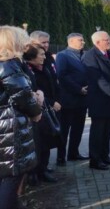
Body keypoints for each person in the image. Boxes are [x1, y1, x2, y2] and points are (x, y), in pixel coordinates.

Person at [0, 26, 42, 209]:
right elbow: (22, 95)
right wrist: (37, 111)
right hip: (9, 128)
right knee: (12, 177)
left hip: (4, 126)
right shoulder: (8, 64)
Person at [82, 31, 110, 171]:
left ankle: (105, 155)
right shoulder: (90, 56)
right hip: (99, 99)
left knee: (107, 130)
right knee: (97, 131)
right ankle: (95, 160)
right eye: (107, 39)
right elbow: (97, 78)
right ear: (98, 42)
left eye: (109, 38)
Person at [23, 43, 62, 183]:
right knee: (37, 144)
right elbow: (35, 91)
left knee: (46, 142)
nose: (44, 56)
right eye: (41, 54)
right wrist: (52, 102)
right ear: (32, 57)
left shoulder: (44, 67)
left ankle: (43, 170)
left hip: (48, 110)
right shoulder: (27, 70)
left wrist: (55, 101)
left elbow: (53, 86)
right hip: (37, 112)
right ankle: (34, 173)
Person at [55, 33, 89, 163]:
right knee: (64, 129)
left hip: (82, 99)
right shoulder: (63, 55)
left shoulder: (85, 55)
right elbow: (62, 76)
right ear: (71, 41)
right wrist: (78, 89)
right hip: (68, 99)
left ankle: (74, 153)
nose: (83, 42)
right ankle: (60, 157)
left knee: (78, 128)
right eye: (80, 40)